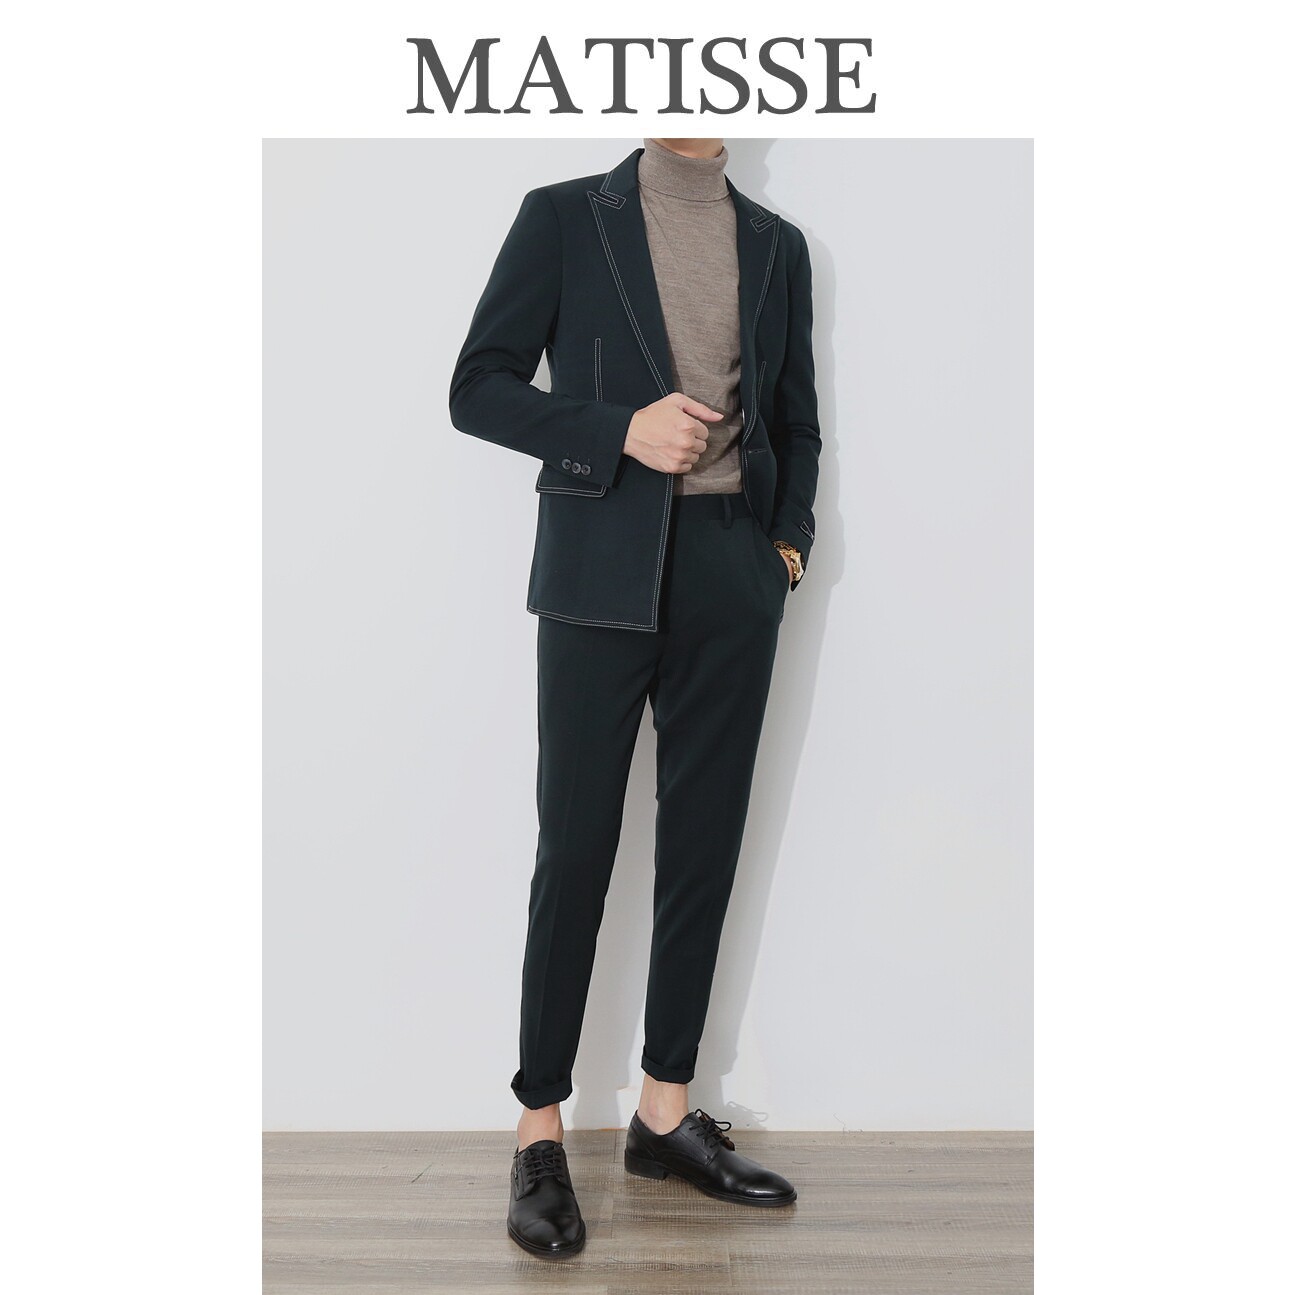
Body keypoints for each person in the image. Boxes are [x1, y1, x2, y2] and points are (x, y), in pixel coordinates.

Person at [448, 137, 822, 1257]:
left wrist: (783, 550)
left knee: (704, 845)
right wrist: (618, 427)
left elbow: (796, 415)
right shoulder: (565, 215)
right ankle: (539, 1126)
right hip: (598, 569)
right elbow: (478, 387)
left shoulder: (777, 245)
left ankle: (665, 1111)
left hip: (731, 571)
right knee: (576, 846)